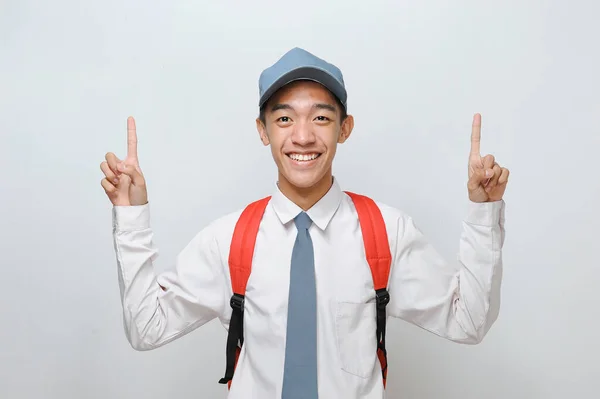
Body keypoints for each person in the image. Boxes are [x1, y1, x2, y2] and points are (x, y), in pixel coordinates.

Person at [100, 47, 509, 399]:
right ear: (262, 131)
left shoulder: (386, 231)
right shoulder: (228, 239)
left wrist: (483, 213)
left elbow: (468, 322)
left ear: (344, 128)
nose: (302, 137)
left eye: (320, 118)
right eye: (283, 119)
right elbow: (146, 329)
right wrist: (131, 217)